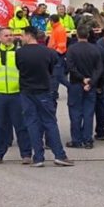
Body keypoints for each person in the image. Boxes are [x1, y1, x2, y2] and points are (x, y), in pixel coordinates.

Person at [16, 26, 74, 167]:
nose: (21, 38)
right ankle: (59, 155)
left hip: (26, 91)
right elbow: (52, 68)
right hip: (43, 90)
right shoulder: (49, 52)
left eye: (23, 35)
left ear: (29, 36)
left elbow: (19, 68)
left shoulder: (19, 53)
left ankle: (38, 157)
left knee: (32, 123)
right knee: (50, 122)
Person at [0, 27, 33, 164]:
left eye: (11, 35)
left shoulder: (19, 52)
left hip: (17, 94)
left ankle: (26, 154)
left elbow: (27, 70)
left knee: (21, 125)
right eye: (6, 35)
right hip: (0, 94)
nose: (9, 37)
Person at [65, 23, 103, 149]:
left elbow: (70, 67)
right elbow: (99, 68)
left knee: (75, 112)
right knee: (88, 112)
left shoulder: (72, 49)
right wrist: (91, 81)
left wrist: (82, 79)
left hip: (76, 84)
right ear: (88, 35)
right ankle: (88, 139)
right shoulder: (95, 49)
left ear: (77, 34)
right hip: (90, 85)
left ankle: (76, 139)